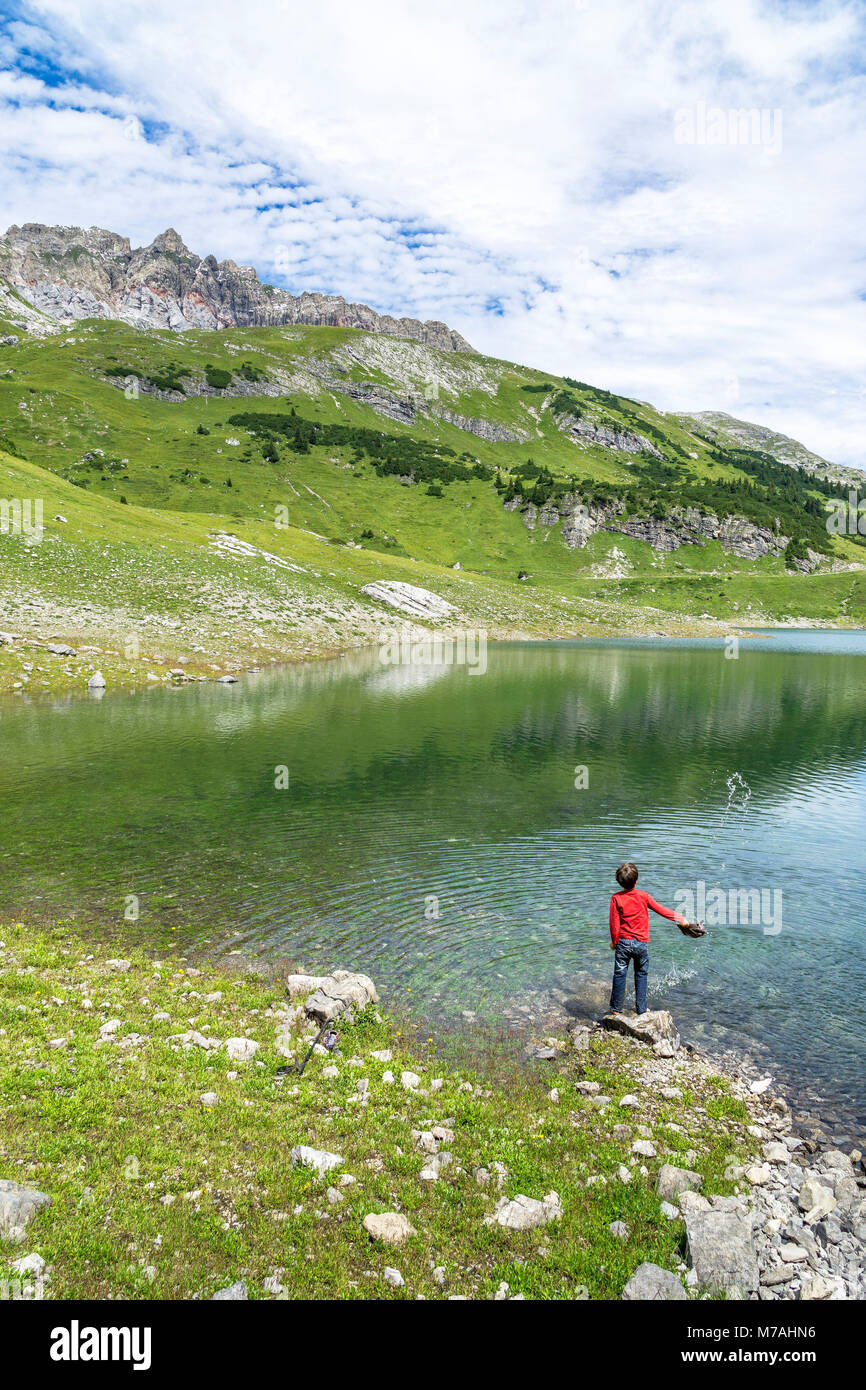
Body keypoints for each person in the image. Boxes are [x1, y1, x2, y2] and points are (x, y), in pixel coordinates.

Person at [608, 861, 691, 1015]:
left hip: (623, 944)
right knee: (641, 974)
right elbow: (661, 910)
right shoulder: (643, 896)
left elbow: (614, 924)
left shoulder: (616, 898)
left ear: (619, 882)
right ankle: (641, 1008)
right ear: (637, 880)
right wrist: (681, 919)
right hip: (641, 944)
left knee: (620, 973)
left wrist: (614, 942)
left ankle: (616, 1009)